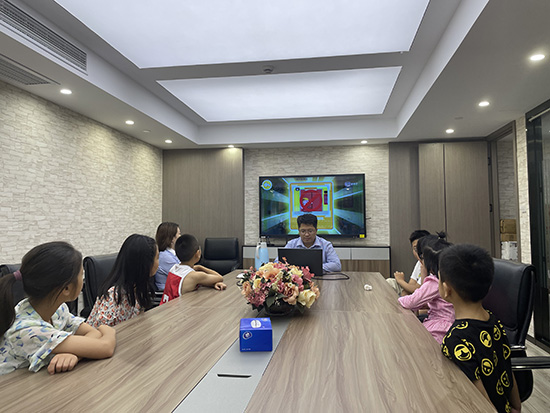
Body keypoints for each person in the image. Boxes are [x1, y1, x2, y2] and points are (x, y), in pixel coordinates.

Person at [0, 242, 116, 375]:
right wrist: (108, 330)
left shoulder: (57, 310)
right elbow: (105, 347)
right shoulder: (29, 330)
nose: (82, 279)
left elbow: (91, 333)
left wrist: (74, 354)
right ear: (66, 288)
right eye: (81, 274)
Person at [439, 244, 521, 413]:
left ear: (446, 290)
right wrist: (516, 407)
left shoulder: (455, 340)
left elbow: (480, 399)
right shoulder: (493, 320)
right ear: (489, 287)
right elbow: (507, 367)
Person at [87, 234, 159, 328]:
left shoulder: (138, 287)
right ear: (145, 264)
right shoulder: (114, 297)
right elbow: (98, 331)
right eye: (157, 257)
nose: (159, 262)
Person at [398, 233, 455, 343]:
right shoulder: (447, 277)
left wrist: (398, 299)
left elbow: (411, 301)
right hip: (449, 324)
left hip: (439, 327)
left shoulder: (434, 281)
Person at [161, 234, 227, 303]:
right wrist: (200, 267)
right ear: (198, 253)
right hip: (177, 309)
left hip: (164, 307)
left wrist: (213, 284)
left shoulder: (174, 268)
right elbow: (220, 277)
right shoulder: (195, 276)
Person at [387, 229, 430, 295]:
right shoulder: (419, 262)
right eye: (415, 248)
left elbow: (417, 289)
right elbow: (411, 284)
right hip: (413, 295)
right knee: (390, 282)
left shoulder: (429, 263)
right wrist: (403, 297)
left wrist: (400, 280)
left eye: (420, 247)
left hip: (422, 295)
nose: (418, 251)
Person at [154, 222, 181, 290]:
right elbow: (185, 275)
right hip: (167, 293)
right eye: (179, 234)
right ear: (172, 239)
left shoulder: (171, 254)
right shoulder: (164, 257)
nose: (180, 236)